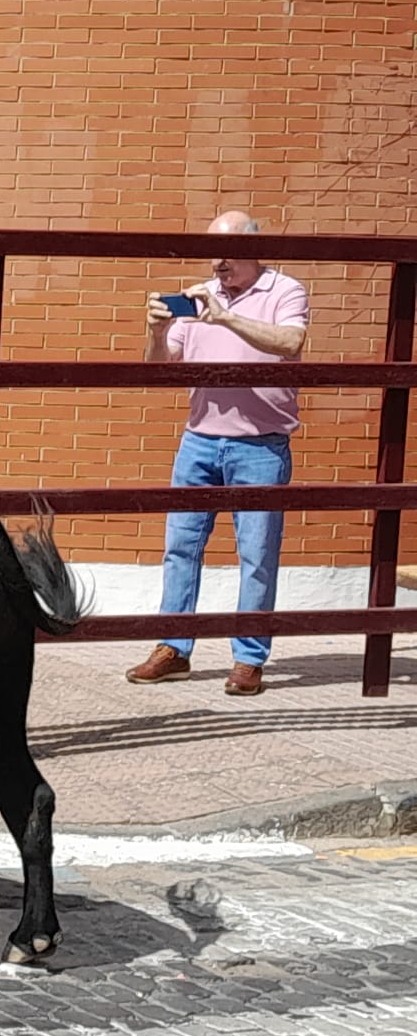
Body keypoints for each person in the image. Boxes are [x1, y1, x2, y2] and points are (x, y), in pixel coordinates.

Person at [126, 211, 308, 698]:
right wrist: (156, 331)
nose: (217, 262)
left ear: (254, 249)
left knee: (257, 555)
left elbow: (291, 342)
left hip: (261, 446)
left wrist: (225, 317)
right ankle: (173, 648)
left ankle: (249, 659)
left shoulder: (284, 291)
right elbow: (159, 369)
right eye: (212, 252)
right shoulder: (196, 295)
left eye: (226, 252)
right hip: (200, 441)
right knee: (180, 548)